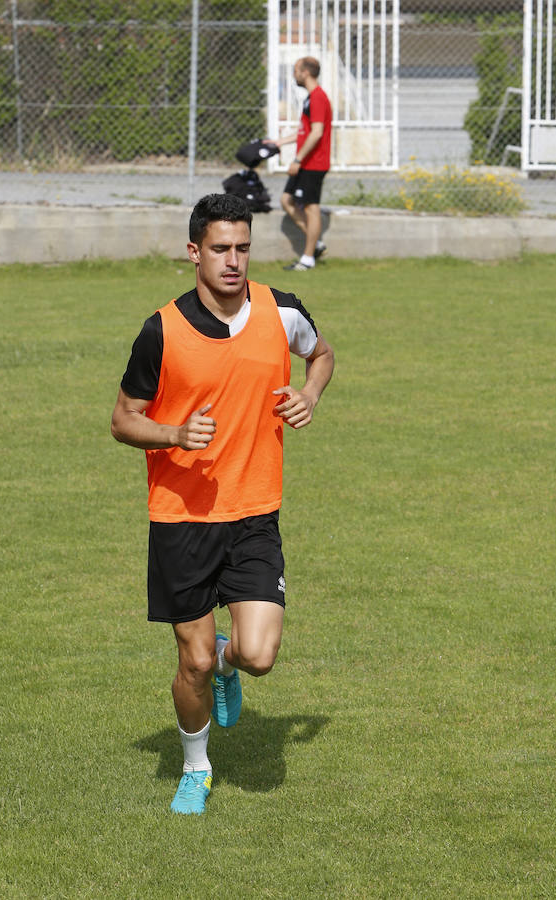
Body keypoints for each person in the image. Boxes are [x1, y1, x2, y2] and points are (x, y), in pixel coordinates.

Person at [110, 193, 334, 815]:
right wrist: (175, 434)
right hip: (181, 519)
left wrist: (310, 394)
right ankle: (196, 766)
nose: (233, 261)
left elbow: (321, 354)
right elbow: (123, 421)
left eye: (242, 248)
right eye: (219, 249)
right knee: (196, 659)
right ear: (194, 252)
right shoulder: (162, 330)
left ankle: (232, 670)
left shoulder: (281, 310)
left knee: (256, 655)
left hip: (255, 511)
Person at [266, 56, 332, 271]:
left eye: (296, 70)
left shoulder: (318, 98)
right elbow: (305, 131)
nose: (294, 74)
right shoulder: (310, 98)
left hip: (313, 164)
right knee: (287, 200)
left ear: (306, 72)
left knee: (312, 208)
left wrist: (297, 159)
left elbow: (317, 133)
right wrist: (280, 142)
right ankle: (316, 244)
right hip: (306, 163)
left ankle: (307, 259)